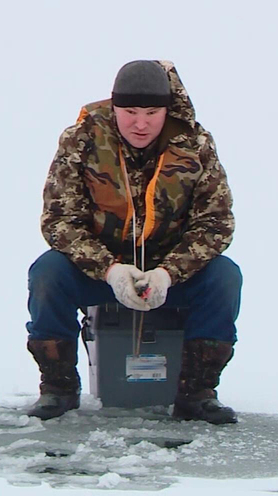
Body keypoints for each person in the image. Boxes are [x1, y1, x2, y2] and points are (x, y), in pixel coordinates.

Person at [25, 60, 242, 424]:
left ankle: (197, 393)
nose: (140, 124)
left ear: (166, 110)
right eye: (129, 112)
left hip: (169, 272)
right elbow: (59, 220)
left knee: (224, 277)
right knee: (48, 272)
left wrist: (168, 274)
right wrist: (109, 270)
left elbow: (216, 223)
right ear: (114, 107)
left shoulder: (195, 144)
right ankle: (58, 388)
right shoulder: (81, 139)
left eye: (152, 112)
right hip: (100, 269)